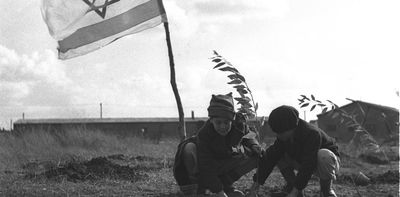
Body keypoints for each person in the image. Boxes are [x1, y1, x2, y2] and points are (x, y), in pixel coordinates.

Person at [173, 93, 262, 197]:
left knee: (255, 155)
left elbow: (249, 136)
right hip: (204, 169)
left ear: (232, 120)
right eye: (218, 123)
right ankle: (199, 190)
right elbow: (206, 166)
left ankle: (225, 185)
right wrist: (220, 192)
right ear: (211, 120)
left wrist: (254, 145)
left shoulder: (239, 124)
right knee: (189, 149)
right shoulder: (204, 135)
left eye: (226, 122)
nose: (223, 126)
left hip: (223, 162)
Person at [248, 105, 340, 197]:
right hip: (302, 161)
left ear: (292, 127)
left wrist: (296, 190)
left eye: (281, 133)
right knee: (278, 155)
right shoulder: (283, 137)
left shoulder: (312, 134)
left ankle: (326, 191)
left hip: (327, 163)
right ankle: (293, 187)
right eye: (277, 133)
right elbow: (270, 157)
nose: (279, 136)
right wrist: (256, 184)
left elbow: (308, 164)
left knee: (324, 155)